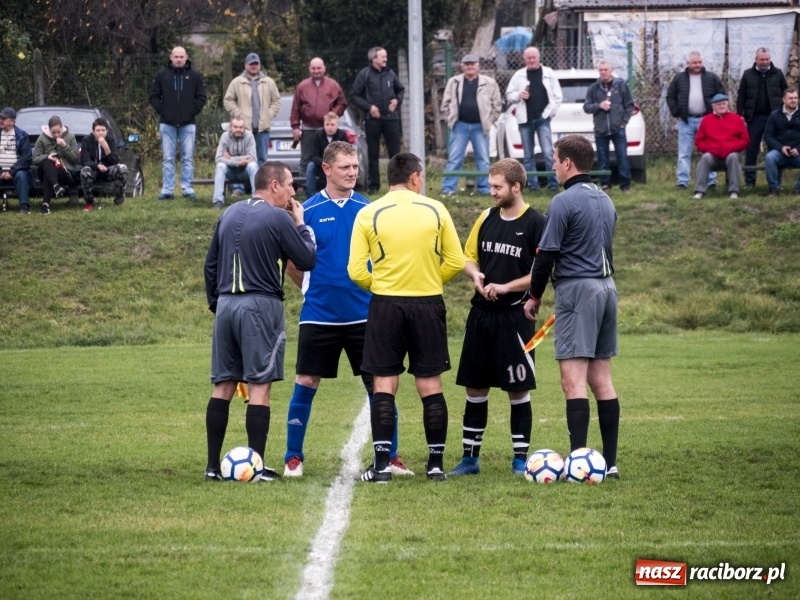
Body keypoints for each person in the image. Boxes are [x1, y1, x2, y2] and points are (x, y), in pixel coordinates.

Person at [282, 141, 413, 478]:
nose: (353, 172)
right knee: (306, 381)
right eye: (345, 167)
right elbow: (293, 263)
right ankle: (293, 457)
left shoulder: (369, 210)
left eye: (355, 167)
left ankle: (391, 455)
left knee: (379, 386)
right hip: (319, 315)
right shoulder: (306, 211)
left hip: (366, 315)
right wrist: (313, 288)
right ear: (326, 169)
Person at [348, 153, 465, 482]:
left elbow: (356, 270)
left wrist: (384, 284)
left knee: (384, 383)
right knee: (430, 384)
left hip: (386, 305)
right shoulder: (435, 209)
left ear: (390, 179)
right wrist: (429, 280)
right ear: (416, 177)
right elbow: (455, 261)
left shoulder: (368, 213)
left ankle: (382, 466)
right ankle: (436, 465)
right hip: (427, 303)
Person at [203, 161, 317, 482]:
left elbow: (210, 266)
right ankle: (257, 467)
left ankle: (212, 467)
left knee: (223, 385)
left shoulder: (228, 213)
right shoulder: (279, 216)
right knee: (259, 388)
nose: (294, 191)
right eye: (290, 184)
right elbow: (307, 258)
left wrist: (218, 305)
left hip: (226, 305)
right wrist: (301, 223)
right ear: (274, 186)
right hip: (260, 305)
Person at [523, 134, 621, 480]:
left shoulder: (564, 201)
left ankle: (578, 464)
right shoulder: (606, 199)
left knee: (573, 381)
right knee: (602, 379)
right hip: (607, 290)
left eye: (554, 159)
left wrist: (534, 297)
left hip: (577, 291)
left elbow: (546, 254)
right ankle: (609, 464)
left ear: (568, 163)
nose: (552, 165)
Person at [449, 158, 545, 477]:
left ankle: (520, 461)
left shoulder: (535, 223)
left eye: (497, 187)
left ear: (516, 187)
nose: (491, 192)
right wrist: (476, 276)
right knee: (475, 388)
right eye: (490, 186)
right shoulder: (486, 216)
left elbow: (539, 273)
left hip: (516, 318)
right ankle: (469, 459)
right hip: (482, 315)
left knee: (518, 390)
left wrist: (505, 287)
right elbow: (468, 257)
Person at [149, 46, 207, 200]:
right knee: (168, 158)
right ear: (171, 57)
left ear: (186, 57)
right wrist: (165, 112)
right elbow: (154, 96)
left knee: (187, 157)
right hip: (167, 124)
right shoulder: (162, 75)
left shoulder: (195, 76)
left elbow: (201, 97)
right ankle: (167, 190)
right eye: (176, 57)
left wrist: (190, 113)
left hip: (188, 124)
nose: (179, 59)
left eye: (182, 57)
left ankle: (187, 189)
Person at [440, 54, 502, 197]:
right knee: (454, 158)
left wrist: (490, 120)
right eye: (466, 64)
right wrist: (451, 119)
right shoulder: (453, 82)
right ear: (462, 66)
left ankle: (485, 189)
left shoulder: (489, 82)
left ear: (478, 65)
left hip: (480, 127)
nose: (470, 66)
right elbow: (445, 103)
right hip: (459, 126)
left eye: (472, 64)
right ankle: (448, 189)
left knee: (483, 159)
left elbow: (497, 104)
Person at [505, 46, 563, 192]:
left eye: (534, 57)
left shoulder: (549, 73)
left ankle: (553, 184)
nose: (531, 60)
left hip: (543, 119)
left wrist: (549, 114)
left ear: (539, 58)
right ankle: (532, 185)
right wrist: (518, 96)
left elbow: (558, 97)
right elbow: (509, 95)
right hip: (525, 120)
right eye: (528, 58)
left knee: (548, 153)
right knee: (528, 155)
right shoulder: (519, 75)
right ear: (524, 59)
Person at [349, 47, 405, 195]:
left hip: (391, 119)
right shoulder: (365, 74)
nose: (385, 59)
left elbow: (400, 90)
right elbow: (354, 95)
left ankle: (397, 185)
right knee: (373, 154)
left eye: (386, 56)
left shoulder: (390, 73)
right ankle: (373, 186)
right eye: (382, 57)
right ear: (373, 59)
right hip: (372, 120)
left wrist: (396, 101)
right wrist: (369, 107)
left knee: (395, 154)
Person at [666, 51, 725, 190]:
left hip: (707, 120)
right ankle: (682, 181)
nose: (697, 65)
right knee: (684, 152)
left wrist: (716, 112)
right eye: (694, 63)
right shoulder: (679, 78)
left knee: (710, 151)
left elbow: (722, 95)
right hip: (686, 120)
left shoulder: (711, 78)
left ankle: (711, 181)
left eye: (699, 62)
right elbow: (670, 96)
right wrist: (677, 112)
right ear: (688, 63)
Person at [737, 48, 788, 190]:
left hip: (775, 117)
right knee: (752, 149)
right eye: (762, 60)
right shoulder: (748, 74)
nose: (765, 62)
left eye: (767, 59)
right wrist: (740, 114)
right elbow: (741, 96)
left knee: (775, 149)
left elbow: (785, 93)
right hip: (754, 117)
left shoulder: (777, 74)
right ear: (756, 60)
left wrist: (784, 113)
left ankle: (775, 182)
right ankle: (749, 182)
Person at [290, 57, 347, 179]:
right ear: (309, 69)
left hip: (327, 127)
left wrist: (332, 115)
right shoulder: (302, 86)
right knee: (306, 157)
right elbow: (295, 108)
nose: (316, 71)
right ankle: (305, 184)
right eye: (313, 68)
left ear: (324, 68)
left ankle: (333, 181)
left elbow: (342, 103)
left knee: (332, 155)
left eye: (319, 68)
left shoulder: (333, 85)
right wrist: (295, 126)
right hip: (308, 128)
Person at [583, 60, 634, 193]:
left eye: (606, 69)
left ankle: (625, 186)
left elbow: (629, 105)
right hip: (601, 129)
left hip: (618, 128)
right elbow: (586, 107)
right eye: (601, 70)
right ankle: (605, 185)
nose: (603, 72)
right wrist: (599, 106)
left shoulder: (620, 85)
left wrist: (624, 122)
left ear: (611, 70)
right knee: (602, 159)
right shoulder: (594, 88)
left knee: (622, 157)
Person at [223, 53, 281, 169]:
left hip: (262, 130)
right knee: (242, 158)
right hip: (244, 129)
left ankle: (260, 186)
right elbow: (228, 100)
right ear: (245, 65)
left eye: (256, 64)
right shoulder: (237, 82)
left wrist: (268, 115)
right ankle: (241, 187)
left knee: (262, 159)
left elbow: (276, 101)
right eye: (251, 64)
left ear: (259, 65)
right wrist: (238, 115)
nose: (253, 66)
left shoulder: (269, 82)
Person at [692, 93, 749, 200]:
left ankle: (734, 191)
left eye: (724, 104)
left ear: (728, 105)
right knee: (705, 158)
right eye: (718, 104)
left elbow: (745, 140)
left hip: (730, 154)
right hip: (713, 155)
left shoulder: (736, 119)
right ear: (713, 106)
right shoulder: (706, 120)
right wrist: (709, 149)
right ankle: (699, 191)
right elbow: (699, 141)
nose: (721, 106)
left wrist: (732, 147)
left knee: (733, 157)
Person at [31, 115, 79, 215]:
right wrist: (47, 156)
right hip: (44, 169)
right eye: (53, 132)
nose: (56, 135)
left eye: (59, 132)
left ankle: (46, 205)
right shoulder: (42, 139)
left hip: (63, 171)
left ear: (62, 128)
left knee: (47, 175)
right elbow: (34, 159)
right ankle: (56, 187)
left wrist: (65, 146)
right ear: (49, 129)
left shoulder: (70, 137)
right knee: (47, 162)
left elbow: (75, 159)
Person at [79, 117, 129, 211]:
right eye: (98, 130)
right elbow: (84, 160)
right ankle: (89, 202)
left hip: (107, 170)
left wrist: (106, 147)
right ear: (93, 131)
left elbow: (115, 161)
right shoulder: (87, 140)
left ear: (106, 131)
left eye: (103, 130)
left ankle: (119, 199)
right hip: (93, 170)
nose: (100, 133)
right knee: (84, 171)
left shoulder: (110, 140)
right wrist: (97, 166)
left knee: (123, 168)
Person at [212, 117, 258, 209]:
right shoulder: (225, 137)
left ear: (244, 128)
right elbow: (218, 158)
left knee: (253, 166)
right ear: (230, 127)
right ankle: (218, 201)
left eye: (241, 127)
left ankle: (256, 199)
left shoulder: (249, 136)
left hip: (244, 171)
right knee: (220, 166)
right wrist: (238, 162)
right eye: (235, 127)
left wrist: (230, 158)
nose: (238, 130)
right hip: (230, 171)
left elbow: (252, 157)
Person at [764, 88, 800, 197]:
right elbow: (768, 136)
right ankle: (774, 189)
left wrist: (798, 149)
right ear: (783, 100)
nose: (793, 100)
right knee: (769, 158)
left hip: (798, 153)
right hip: (779, 152)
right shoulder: (774, 115)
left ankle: (798, 189)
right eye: (790, 98)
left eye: (795, 98)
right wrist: (780, 147)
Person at [303, 112, 348, 199]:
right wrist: (325, 163)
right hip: (321, 166)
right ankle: (310, 196)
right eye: (327, 124)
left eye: (332, 124)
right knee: (310, 166)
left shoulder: (342, 135)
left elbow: (346, 154)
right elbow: (313, 155)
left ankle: (343, 194)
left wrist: (335, 164)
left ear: (337, 125)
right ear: (323, 124)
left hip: (338, 166)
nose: (329, 127)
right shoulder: (318, 135)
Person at [0, 107, 33, 214]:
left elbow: (26, 158)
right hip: (1, 171)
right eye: (0, 118)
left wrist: (11, 171)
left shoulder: (22, 136)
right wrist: (1, 172)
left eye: (4, 118)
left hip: (17, 171)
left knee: (21, 175)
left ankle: (24, 206)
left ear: (13, 121)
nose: (1, 120)